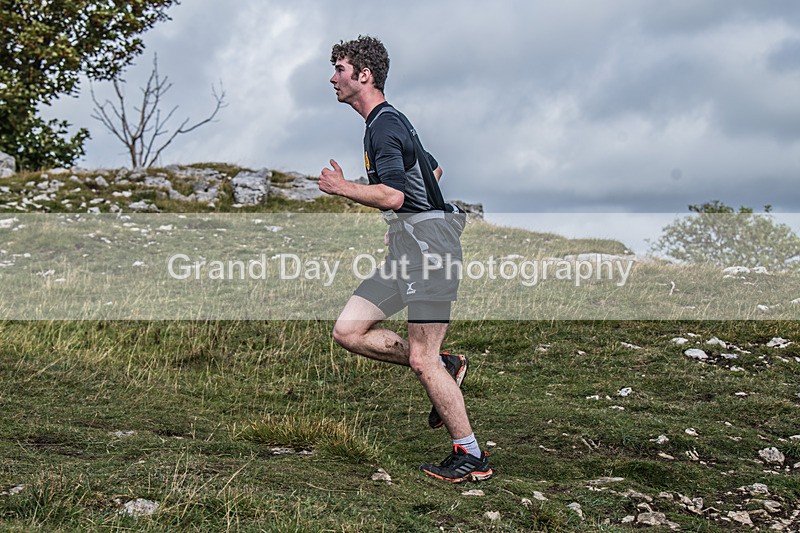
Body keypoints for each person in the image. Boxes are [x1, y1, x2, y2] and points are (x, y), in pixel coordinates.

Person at [318, 35, 492, 483]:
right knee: (348, 331)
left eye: (340, 68)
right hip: (409, 250)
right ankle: (449, 367)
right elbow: (431, 169)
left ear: (364, 75)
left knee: (422, 359)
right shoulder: (386, 124)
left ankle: (471, 454)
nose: (332, 78)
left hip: (431, 255)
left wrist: (345, 189)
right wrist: (404, 223)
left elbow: (394, 193)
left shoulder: (383, 125)